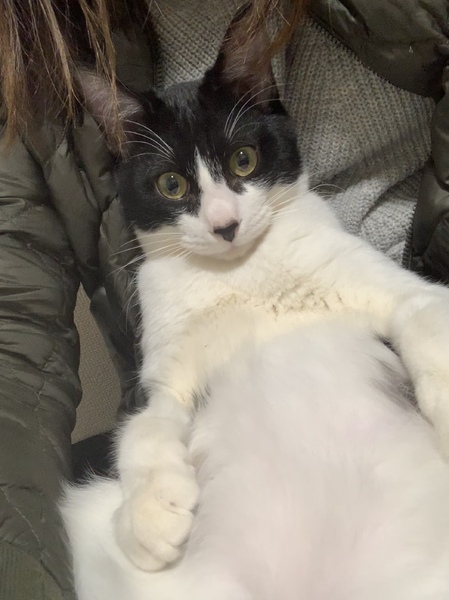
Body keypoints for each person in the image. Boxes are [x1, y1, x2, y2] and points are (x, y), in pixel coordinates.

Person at [0, 1, 448, 598]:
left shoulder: (301, 225)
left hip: (386, 474)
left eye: (242, 161)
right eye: (173, 185)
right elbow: (155, 395)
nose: (222, 218)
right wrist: (150, 460)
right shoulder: (163, 272)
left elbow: (416, 305)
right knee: (88, 525)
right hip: (237, 512)